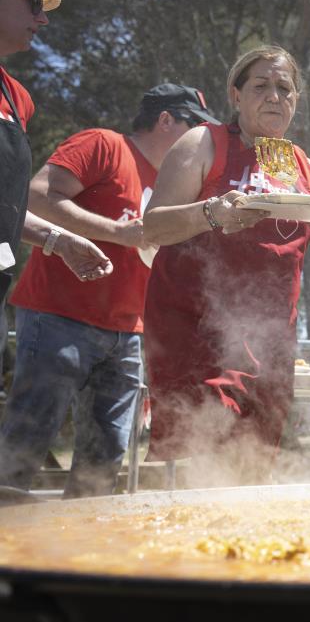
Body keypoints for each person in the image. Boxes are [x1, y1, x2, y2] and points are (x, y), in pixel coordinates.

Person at [142, 46, 310, 481]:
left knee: (254, 466)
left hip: (271, 341)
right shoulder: (205, 142)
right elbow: (153, 227)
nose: (275, 97)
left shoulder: (305, 169)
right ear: (235, 95)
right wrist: (212, 212)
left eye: (284, 88)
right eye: (261, 86)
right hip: (196, 332)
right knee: (193, 461)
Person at [0, 84, 217, 497]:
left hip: (128, 335)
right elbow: (37, 196)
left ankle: (80, 554)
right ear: (165, 120)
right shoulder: (104, 144)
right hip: (57, 317)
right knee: (27, 441)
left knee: (106, 458)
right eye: (193, 127)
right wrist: (119, 232)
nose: (198, 140)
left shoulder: (175, 184)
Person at [0, 0, 112, 376]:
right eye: (33, 0)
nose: (43, 19)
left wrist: (57, 239)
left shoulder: (18, 98)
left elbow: (4, 205)